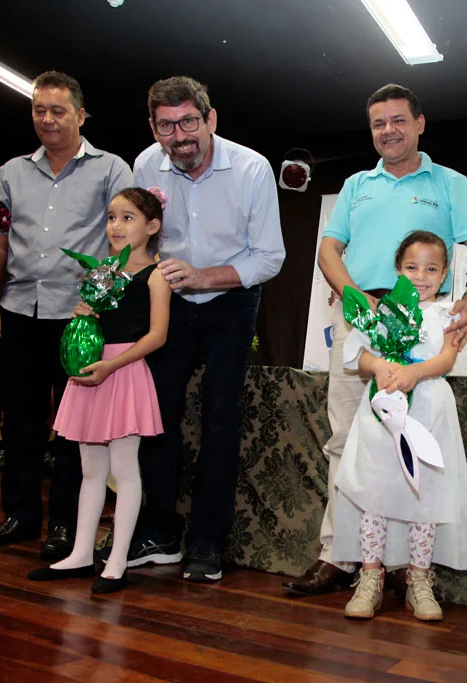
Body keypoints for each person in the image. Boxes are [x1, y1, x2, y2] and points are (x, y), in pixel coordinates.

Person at [285, 83, 467, 596]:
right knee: (346, 443)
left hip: (422, 327)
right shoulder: (358, 184)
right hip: (362, 321)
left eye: (398, 120)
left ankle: (403, 566)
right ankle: (339, 557)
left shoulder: (449, 183)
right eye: (379, 123)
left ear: (420, 124)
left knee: (411, 444)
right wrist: (355, 295)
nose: (388, 130)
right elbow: (328, 251)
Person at [126, 76, 284, 583]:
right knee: (155, 416)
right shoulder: (146, 165)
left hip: (231, 300)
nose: (180, 136)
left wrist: (202, 277)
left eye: (189, 122)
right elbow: (141, 240)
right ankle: (159, 533)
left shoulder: (252, 168)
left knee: (220, 416)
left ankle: (207, 542)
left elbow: (269, 257)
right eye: (167, 126)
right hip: (168, 302)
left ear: (210, 119)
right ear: (154, 128)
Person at [0, 71, 134, 561]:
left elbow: (126, 242)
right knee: (20, 419)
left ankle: (67, 523)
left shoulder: (111, 169)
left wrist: (104, 302)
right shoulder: (11, 172)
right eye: (39, 110)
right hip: (20, 309)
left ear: (81, 116)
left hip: (80, 316)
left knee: (72, 427)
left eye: (58, 110)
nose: (47, 119)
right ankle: (20, 515)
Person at [330, 230, 467, 621]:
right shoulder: (381, 310)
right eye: (412, 267)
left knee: (424, 496)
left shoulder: (450, 313)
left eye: (432, 268)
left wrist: (414, 372)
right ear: (398, 268)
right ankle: (369, 577)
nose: (421, 275)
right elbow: (358, 356)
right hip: (381, 414)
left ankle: (419, 580)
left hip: (429, 410)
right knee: (374, 492)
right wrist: (379, 365)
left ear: (446, 274)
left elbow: (446, 359)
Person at [28, 188, 170, 594]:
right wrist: (83, 320)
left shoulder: (156, 275)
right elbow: (92, 320)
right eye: (111, 217)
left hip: (122, 372)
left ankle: (118, 561)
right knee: (90, 470)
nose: (116, 226)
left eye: (127, 218)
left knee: (124, 470)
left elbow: (157, 335)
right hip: (91, 370)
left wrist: (111, 364)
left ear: (152, 226)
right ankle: (80, 553)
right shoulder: (102, 270)